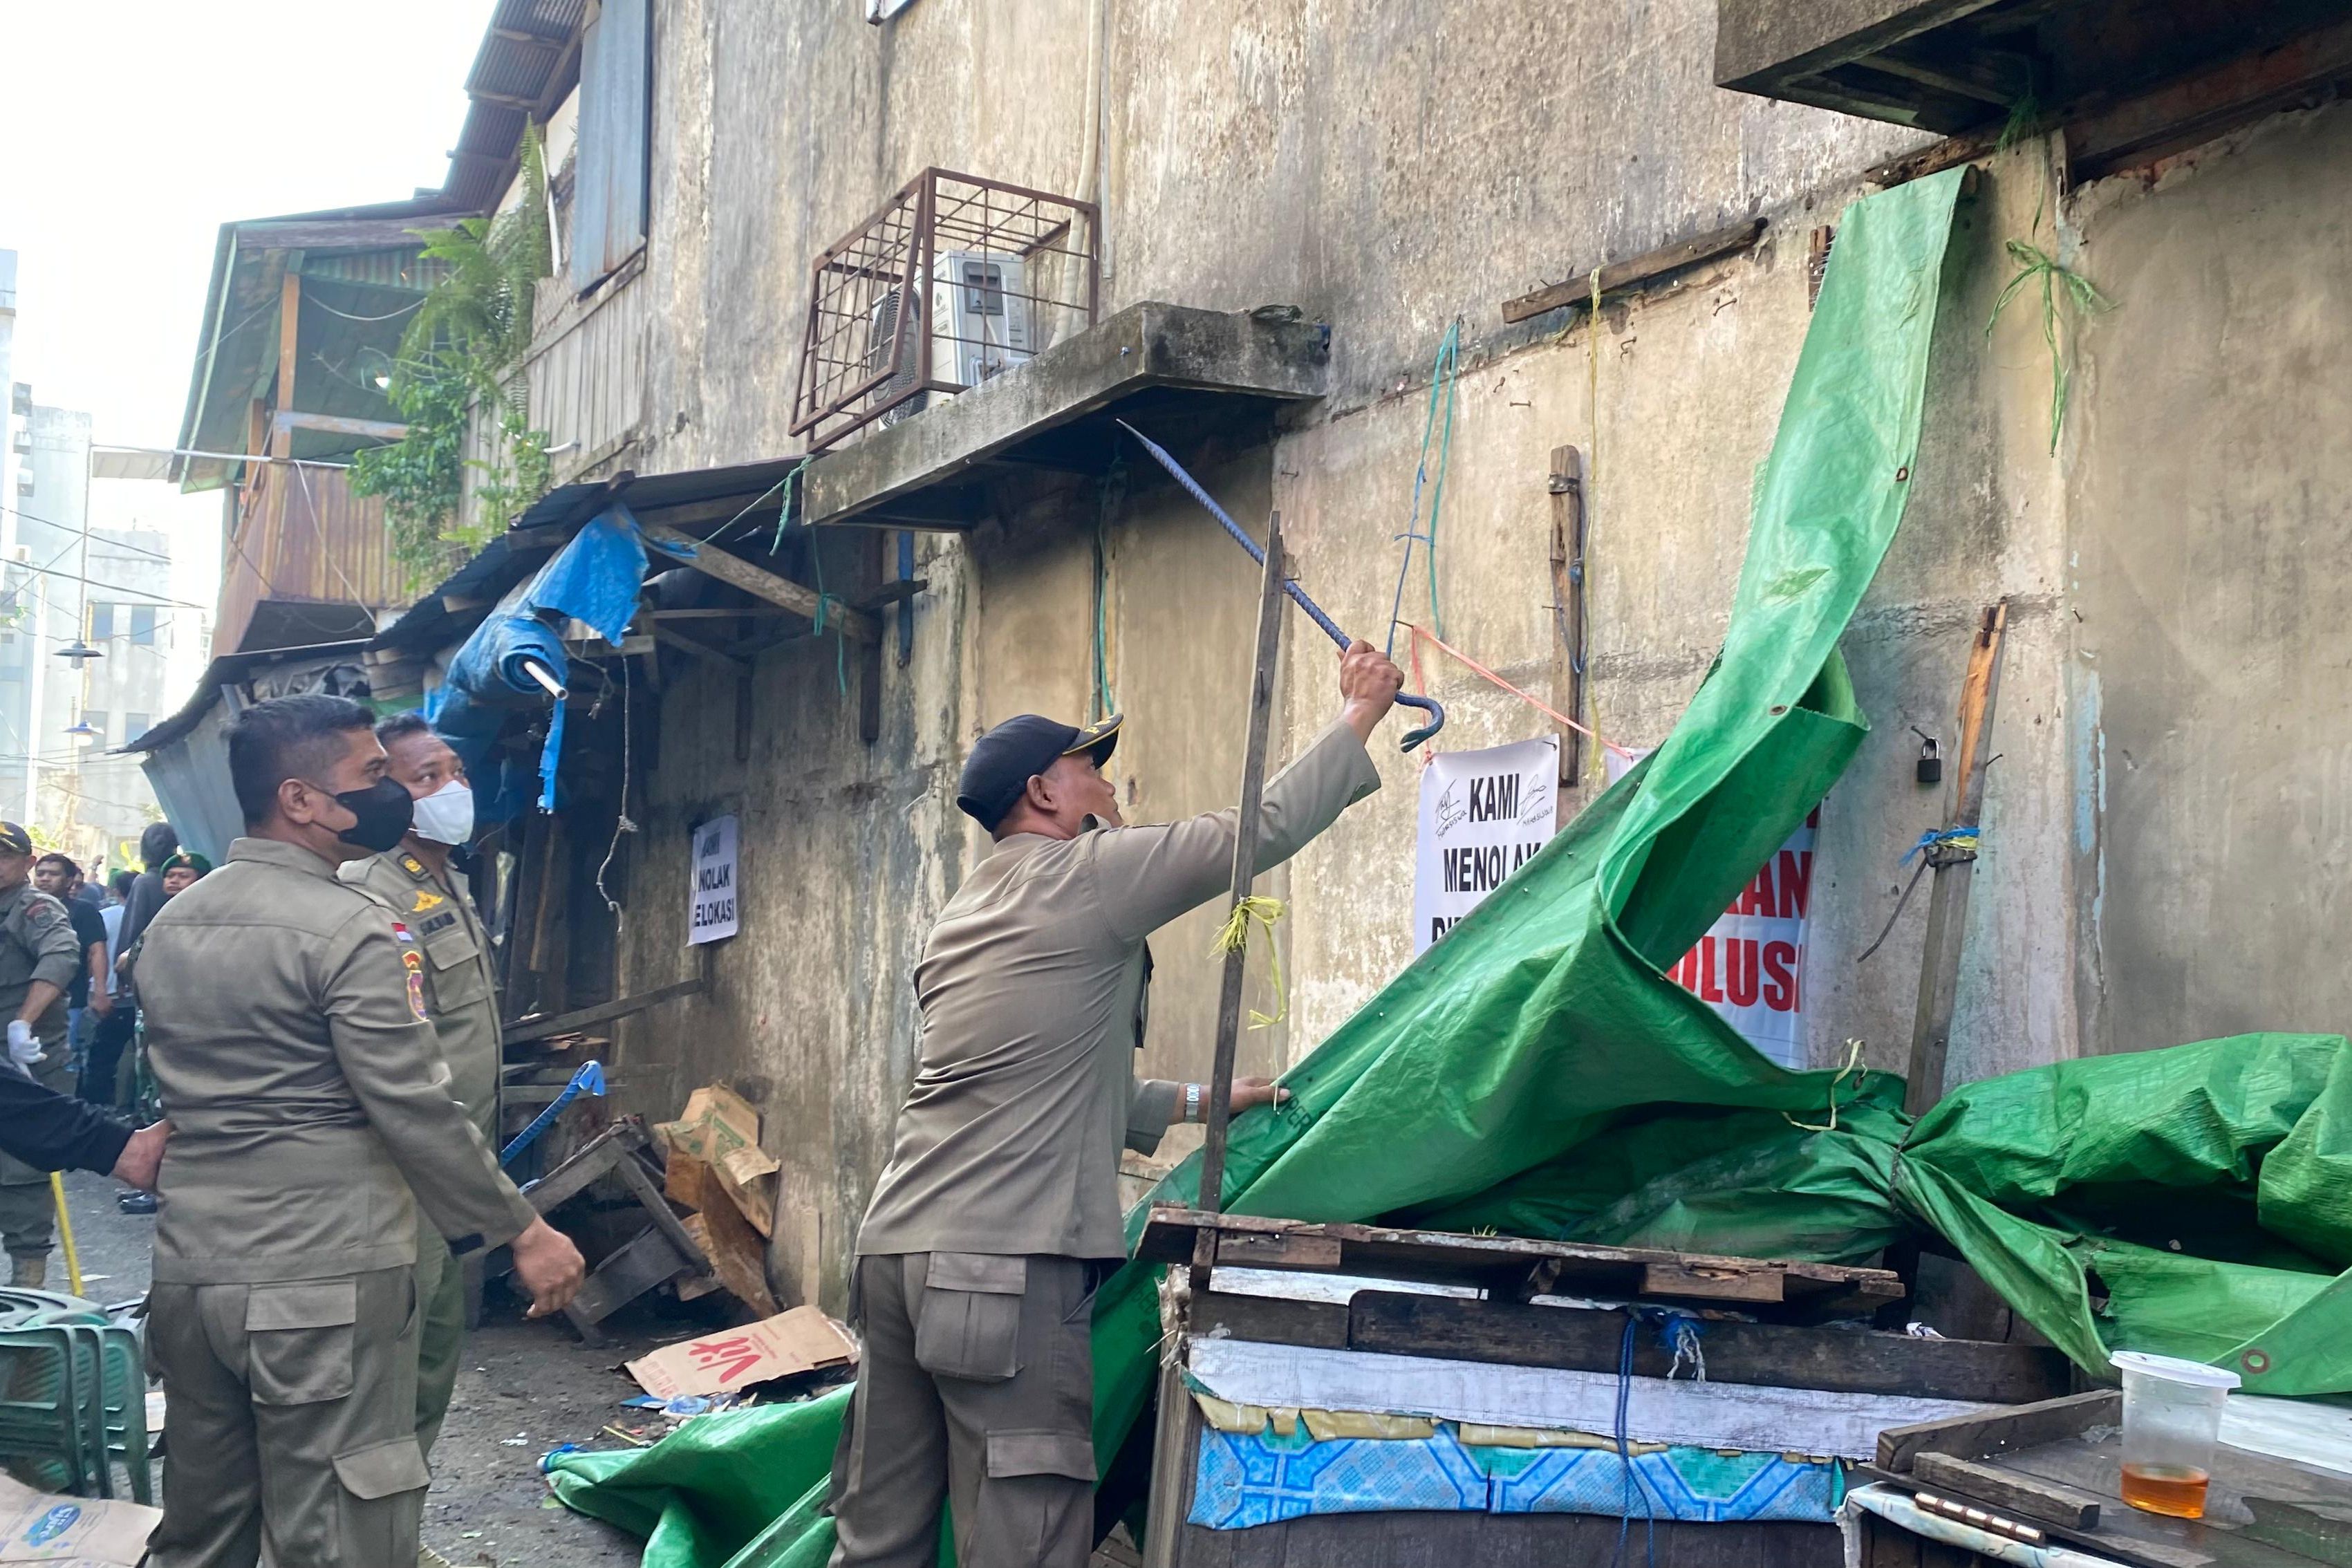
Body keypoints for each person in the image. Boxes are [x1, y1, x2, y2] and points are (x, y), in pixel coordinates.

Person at [826, 640, 1405, 1568]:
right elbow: (1251, 830)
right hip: (1003, 1268)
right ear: (1043, 795)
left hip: (894, 1253)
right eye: (1087, 767)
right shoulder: (1085, 876)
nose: (1105, 783)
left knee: (878, 1536)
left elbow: (1023, 1080)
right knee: (1024, 1531)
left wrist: (1198, 1098)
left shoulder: (961, 914)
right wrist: (1360, 713)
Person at [136, 693, 586, 1568]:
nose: (395, 795)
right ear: (300, 799)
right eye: (373, 776)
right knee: (340, 1533)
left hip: (193, 1278)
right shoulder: (347, 926)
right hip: (323, 1281)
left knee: (204, 1533)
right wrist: (522, 1228)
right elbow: (413, 1105)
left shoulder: (171, 925)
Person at [338, 711, 500, 1459]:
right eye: (427, 777)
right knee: (393, 1362)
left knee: (436, 1353)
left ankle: (400, 1526)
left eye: (456, 771)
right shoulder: (371, 891)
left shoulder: (451, 881)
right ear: (388, 797)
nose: (453, 788)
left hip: (458, 1171)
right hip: (406, 1174)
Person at [0, 827, 90, 1289]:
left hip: (24, 1065)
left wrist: (23, 1023)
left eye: (2, 855)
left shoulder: (33, 908)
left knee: (22, 1182)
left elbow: (60, 956)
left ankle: (26, 1314)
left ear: (27, 863)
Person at [33, 855, 111, 1086]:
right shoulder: (23, 908)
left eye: (53, 874)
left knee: (64, 1059)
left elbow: (97, 951)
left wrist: (100, 991)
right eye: (41, 873)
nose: (45, 879)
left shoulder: (82, 911)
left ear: (69, 881)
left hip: (69, 1000)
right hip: (23, 997)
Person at [82, 872, 138, 1106]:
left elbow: (90, 955)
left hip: (101, 993)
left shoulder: (103, 916)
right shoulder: (144, 917)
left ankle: (95, 1101)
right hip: (129, 996)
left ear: (116, 891)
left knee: (98, 1053)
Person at [111, 821, 177, 991]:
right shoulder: (187, 879)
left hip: (149, 971)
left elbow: (134, 927)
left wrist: (125, 967)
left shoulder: (145, 882)